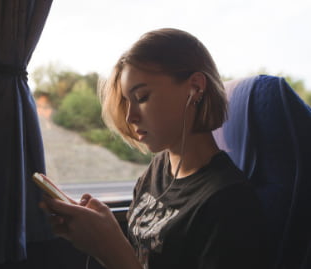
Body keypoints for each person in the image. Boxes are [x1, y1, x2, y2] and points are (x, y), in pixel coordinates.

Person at [40, 28, 270, 269]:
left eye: (141, 97)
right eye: (127, 102)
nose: (130, 116)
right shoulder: (159, 169)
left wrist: (109, 247)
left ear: (195, 88)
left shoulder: (229, 204)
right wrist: (101, 230)